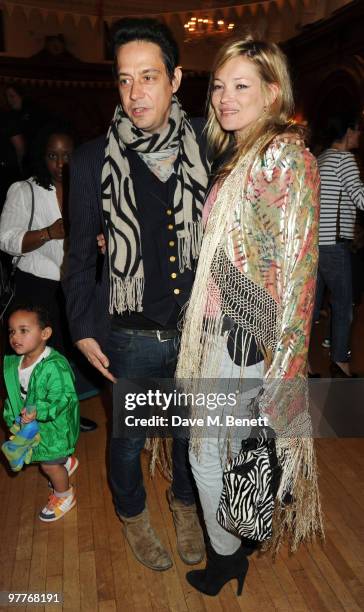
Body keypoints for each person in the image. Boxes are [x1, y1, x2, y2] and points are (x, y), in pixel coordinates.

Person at [176, 37, 323, 596]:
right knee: (225, 451)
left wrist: (262, 350)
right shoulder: (243, 153)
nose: (223, 98)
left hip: (242, 337)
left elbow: (294, 266)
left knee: (209, 454)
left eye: (241, 86)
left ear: (272, 92)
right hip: (227, 330)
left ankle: (226, 556)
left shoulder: (281, 156)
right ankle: (234, 548)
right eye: (218, 85)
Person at [64, 18, 209, 571]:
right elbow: (79, 256)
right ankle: (133, 516)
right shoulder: (89, 160)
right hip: (129, 336)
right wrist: (80, 325)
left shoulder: (206, 140)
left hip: (197, 327)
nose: (135, 93)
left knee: (195, 435)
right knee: (126, 444)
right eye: (125, 80)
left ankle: (185, 506)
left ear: (175, 79)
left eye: (149, 77)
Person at [0, 121, 74, 350]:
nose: (60, 163)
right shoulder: (25, 190)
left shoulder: (86, 189)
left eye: (67, 155)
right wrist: (48, 233)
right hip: (35, 291)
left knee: (69, 366)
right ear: (42, 156)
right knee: (37, 366)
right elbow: (6, 240)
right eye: (53, 155)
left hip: (75, 289)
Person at [3, 304, 79, 521]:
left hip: (56, 427)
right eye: (12, 331)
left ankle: (64, 495)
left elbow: (63, 397)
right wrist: (12, 418)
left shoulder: (54, 366)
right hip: (32, 426)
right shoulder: (13, 364)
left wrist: (39, 411)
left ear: (45, 333)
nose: (15, 337)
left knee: (48, 464)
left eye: (23, 330)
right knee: (43, 456)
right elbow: (13, 398)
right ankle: (66, 462)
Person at [312, 114, 363, 377]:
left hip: (315, 244)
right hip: (334, 244)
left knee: (311, 306)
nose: (360, 136)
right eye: (358, 131)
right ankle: (340, 361)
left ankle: (304, 363)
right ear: (349, 131)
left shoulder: (321, 159)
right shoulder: (345, 160)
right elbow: (361, 199)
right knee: (343, 305)